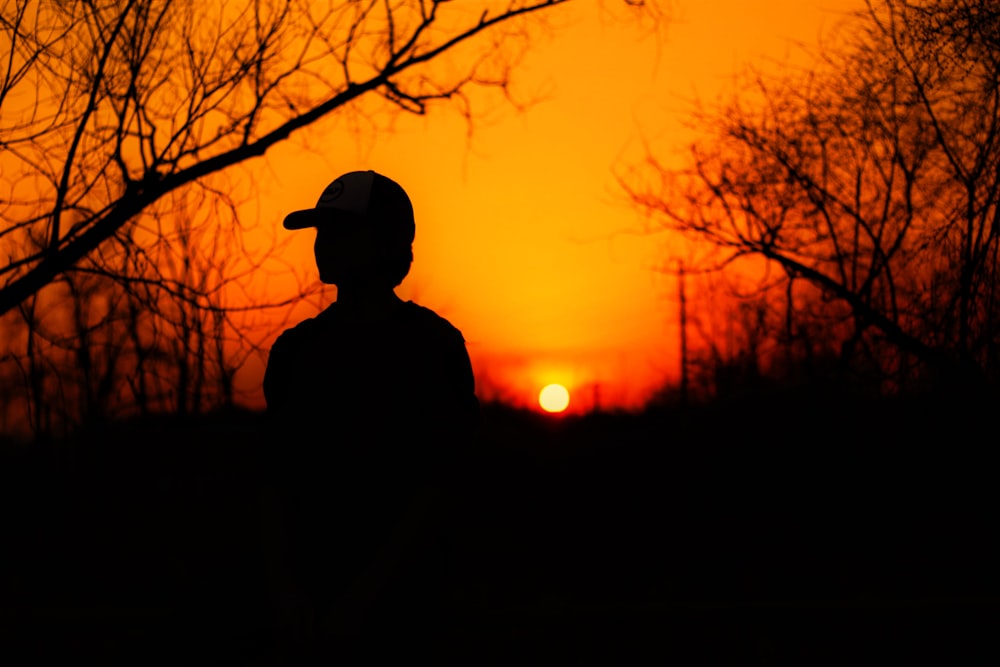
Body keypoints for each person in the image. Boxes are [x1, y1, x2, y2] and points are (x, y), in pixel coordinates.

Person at [261, 170, 481, 664]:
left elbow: (441, 486)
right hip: (308, 615)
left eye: (341, 230)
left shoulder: (432, 346)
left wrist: (363, 601)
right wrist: (286, 597)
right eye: (321, 231)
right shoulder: (296, 351)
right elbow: (273, 482)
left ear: (386, 243)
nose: (324, 244)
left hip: (407, 618)